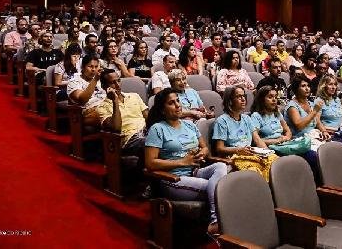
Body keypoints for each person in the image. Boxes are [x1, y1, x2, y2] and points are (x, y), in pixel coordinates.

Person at [145, 87, 227, 234]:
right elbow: (150, 163)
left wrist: (200, 153)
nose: (177, 105)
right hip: (173, 178)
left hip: (194, 171)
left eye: (177, 100)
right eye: (171, 103)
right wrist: (182, 162)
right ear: (163, 110)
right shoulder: (157, 129)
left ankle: (220, 221)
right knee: (215, 186)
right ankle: (216, 221)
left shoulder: (190, 125)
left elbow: (205, 148)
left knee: (220, 166)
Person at [212, 86, 277, 181]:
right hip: (235, 156)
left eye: (244, 96)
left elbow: (257, 139)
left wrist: (267, 153)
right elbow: (219, 148)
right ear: (230, 101)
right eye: (239, 97)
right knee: (255, 171)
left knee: (275, 161)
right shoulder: (222, 121)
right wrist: (239, 150)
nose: (243, 99)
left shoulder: (247, 118)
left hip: (250, 153)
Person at [98, 69, 148, 164]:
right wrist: (115, 101)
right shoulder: (102, 107)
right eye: (112, 83)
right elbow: (116, 127)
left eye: (118, 80)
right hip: (129, 140)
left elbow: (149, 118)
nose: (117, 85)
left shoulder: (134, 96)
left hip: (146, 132)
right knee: (150, 143)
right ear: (104, 86)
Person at [67, 54, 106, 126]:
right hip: (90, 110)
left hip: (106, 104)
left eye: (96, 66)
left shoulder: (101, 79)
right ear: (83, 67)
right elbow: (82, 99)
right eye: (90, 66)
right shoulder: (74, 81)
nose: (94, 69)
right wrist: (95, 80)